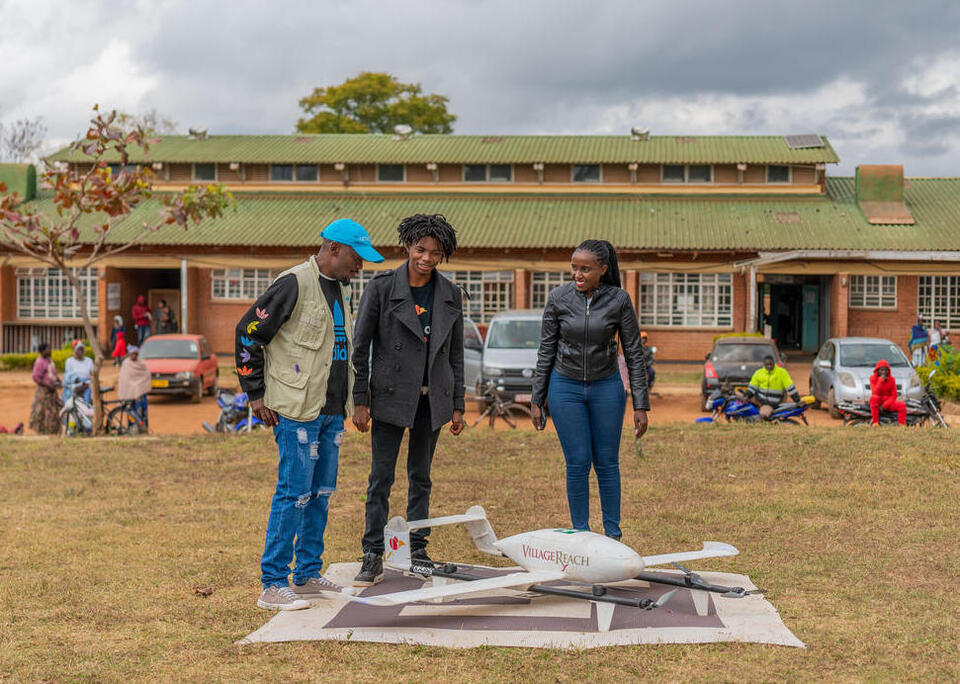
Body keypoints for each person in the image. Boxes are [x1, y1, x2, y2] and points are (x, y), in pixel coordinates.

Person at [236, 218, 384, 611]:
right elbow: (248, 333)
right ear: (333, 248)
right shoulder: (293, 283)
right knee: (293, 493)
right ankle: (272, 582)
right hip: (296, 410)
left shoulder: (339, 289)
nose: (360, 267)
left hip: (331, 409)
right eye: (356, 258)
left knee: (320, 494)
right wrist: (255, 394)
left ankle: (306, 574)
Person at [351, 214, 466, 587]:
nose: (427, 258)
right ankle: (372, 552)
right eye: (421, 249)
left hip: (432, 402)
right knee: (380, 477)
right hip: (388, 398)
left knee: (421, 477)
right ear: (407, 247)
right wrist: (360, 400)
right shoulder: (383, 288)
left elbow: (456, 353)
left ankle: (417, 550)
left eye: (435, 252)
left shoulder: (449, 294)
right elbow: (361, 346)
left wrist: (458, 403)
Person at [530, 239, 650, 541]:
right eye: (574, 267)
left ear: (602, 270)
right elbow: (546, 349)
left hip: (606, 388)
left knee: (607, 462)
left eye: (586, 269)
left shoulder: (619, 300)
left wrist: (640, 404)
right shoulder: (558, 298)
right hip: (565, 388)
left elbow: (634, 352)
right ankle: (581, 533)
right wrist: (536, 398)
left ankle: (613, 536)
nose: (577, 274)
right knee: (578, 461)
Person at [29, 343, 62, 434]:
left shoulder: (50, 361)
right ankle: (42, 431)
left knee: (53, 411)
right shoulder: (39, 362)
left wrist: (59, 381)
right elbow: (36, 378)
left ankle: (52, 430)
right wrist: (48, 386)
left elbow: (53, 374)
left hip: (52, 391)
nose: (50, 351)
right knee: (43, 412)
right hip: (44, 392)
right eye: (48, 349)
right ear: (42, 351)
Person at [118, 346, 150, 430]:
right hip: (129, 393)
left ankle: (143, 429)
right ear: (129, 354)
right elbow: (124, 380)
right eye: (132, 353)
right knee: (131, 411)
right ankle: (132, 428)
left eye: (135, 353)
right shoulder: (126, 364)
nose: (134, 355)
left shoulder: (142, 364)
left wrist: (138, 385)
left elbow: (146, 376)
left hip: (141, 392)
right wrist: (133, 386)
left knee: (142, 411)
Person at [870, 359, 905, 426]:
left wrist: (884, 406)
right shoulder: (872, 378)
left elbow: (894, 395)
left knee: (902, 405)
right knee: (874, 398)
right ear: (877, 371)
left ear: (888, 371)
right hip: (878, 400)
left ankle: (901, 425)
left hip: (888, 401)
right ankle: (875, 422)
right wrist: (880, 381)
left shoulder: (892, 380)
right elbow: (874, 392)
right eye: (881, 370)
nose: (883, 372)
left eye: (885, 370)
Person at [63, 340, 94, 404]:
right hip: (74, 386)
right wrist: (79, 384)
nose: (80, 351)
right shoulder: (69, 361)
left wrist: (86, 384)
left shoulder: (89, 361)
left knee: (87, 403)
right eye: (78, 349)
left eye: (82, 349)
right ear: (74, 350)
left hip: (86, 385)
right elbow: (68, 376)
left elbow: (93, 375)